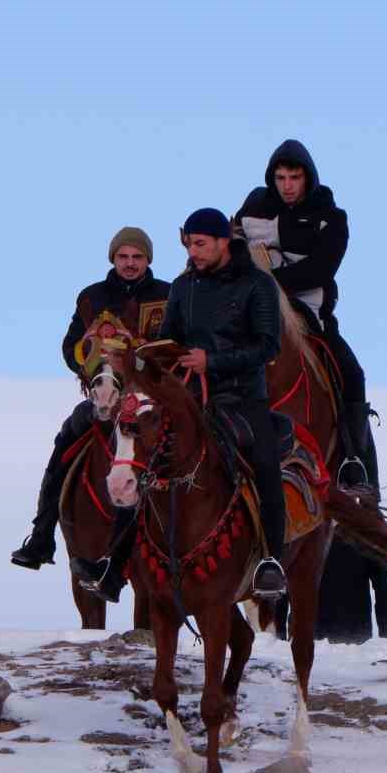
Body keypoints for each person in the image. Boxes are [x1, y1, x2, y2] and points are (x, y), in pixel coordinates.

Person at [77, 208, 289, 602]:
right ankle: (115, 562)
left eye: (200, 243)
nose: (193, 251)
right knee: (140, 456)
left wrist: (213, 361)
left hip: (242, 399)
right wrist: (143, 359)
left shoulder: (257, 285)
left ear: (224, 241)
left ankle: (270, 562)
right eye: (189, 244)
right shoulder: (182, 286)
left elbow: (267, 346)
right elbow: (169, 339)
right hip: (187, 399)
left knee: (263, 463)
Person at [9, 227, 169, 570]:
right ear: (113, 258)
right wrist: (91, 368)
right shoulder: (91, 297)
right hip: (102, 395)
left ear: (148, 260)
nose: (129, 264)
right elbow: (71, 347)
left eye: (137, 257)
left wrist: (138, 349)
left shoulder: (168, 295)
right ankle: (42, 534)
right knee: (65, 440)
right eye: (123, 257)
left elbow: (175, 345)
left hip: (150, 398)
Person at [233, 139, 374, 492]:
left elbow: (320, 271)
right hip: (249, 308)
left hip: (308, 312)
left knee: (352, 374)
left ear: (308, 177)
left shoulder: (331, 217)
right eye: (280, 177)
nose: (287, 185)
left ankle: (356, 462)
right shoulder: (253, 205)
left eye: (294, 177)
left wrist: (267, 278)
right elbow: (230, 240)